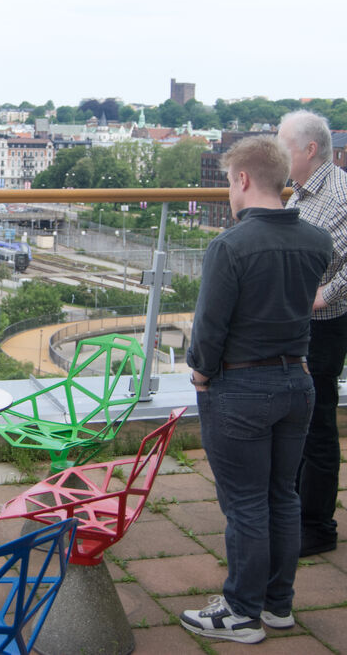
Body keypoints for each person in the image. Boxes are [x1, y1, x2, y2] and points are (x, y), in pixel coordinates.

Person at [180, 135, 332, 645]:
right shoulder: (317, 241)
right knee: (282, 498)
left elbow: (209, 329)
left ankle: (241, 613)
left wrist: (201, 375)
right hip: (298, 381)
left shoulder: (230, 246)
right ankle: (278, 605)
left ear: (242, 179)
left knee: (245, 504)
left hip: (241, 386)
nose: (229, 190)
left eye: (228, 181)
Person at [278, 110, 347, 556]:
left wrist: (324, 297)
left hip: (323, 325)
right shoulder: (301, 194)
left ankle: (317, 527)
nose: (278, 152)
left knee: (318, 423)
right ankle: (301, 514)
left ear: (309, 150)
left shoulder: (339, 193)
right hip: (304, 322)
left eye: (284, 144)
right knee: (304, 421)